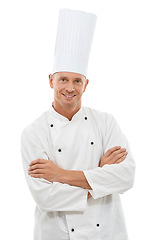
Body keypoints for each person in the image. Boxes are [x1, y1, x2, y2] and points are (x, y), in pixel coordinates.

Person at [21, 9, 135, 240]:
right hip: (57, 234)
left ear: (86, 83)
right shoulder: (34, 132)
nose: (70, 88)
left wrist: (60, 174)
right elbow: (46, 197)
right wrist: (101, 176)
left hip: (107, 233)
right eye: (63, 79)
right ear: (51, 80)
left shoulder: (106, 122)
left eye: (77, 81)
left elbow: (126, 177)